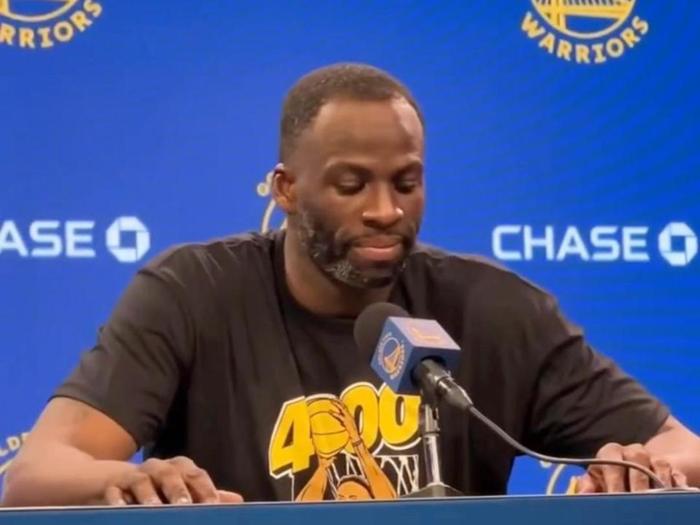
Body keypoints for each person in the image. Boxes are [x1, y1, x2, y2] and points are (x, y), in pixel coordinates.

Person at [2, 63, 700, 507]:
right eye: (351, 184)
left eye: (406, 182)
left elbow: (685, 450)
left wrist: (642, 470)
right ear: (286, 189)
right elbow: (34, 475)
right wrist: (125, 480)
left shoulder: (495, 309)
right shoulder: (191, 293)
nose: (385, 210)